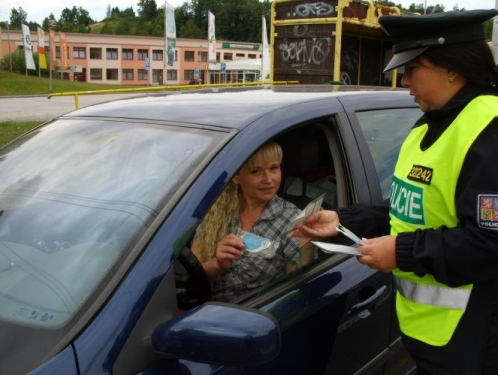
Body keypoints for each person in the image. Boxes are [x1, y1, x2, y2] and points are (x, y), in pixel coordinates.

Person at [292, 9, 498, 375]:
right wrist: (343, 220)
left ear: (451, 66)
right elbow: (409, 210)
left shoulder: (489, 130)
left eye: (411, 69)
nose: (404, 81)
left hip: (474, 342)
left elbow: (488, 243)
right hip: (430, 337)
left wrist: (400, 251)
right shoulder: (427, 126)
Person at [192, 141, 314, 303]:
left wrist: (308, 242)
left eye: (273, 168)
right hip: (201, 309)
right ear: (236, 177)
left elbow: (297, 288)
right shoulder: (217, 210)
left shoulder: (293, 220)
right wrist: (219, 264)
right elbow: (192, 280)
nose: (268, 179)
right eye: (256, 171)